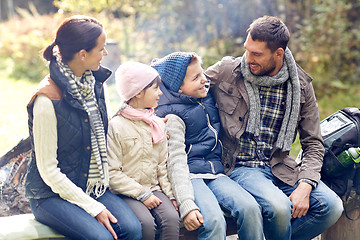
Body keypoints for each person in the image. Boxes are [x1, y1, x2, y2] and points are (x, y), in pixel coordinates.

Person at [205, 15, 344, 240]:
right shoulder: (228, 71)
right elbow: (186, 85)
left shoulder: (301, 86)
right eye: (247, 50)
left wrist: (306, 184)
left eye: (257, 54)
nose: (248, 58)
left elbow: (313, 144)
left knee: (331, 206)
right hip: (240, 167)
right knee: (279, 207)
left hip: (279, 167)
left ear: (278, 53)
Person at [25, 15, 142, 240]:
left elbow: (109, 129)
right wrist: (93, 207)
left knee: (133, 229)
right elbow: (48, 171)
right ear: (82, 54)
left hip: (91, 184)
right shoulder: (46, 100)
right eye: (101, 49)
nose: (105, 54)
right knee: (101, 238)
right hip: (50, 195)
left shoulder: (96, 85)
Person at [151, 52, 263, 240]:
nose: (204, 79)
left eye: (202, 73)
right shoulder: (171, 117)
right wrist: (186, 204)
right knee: (213, 221)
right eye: (196, 78)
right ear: (178, 88)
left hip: (216, 172)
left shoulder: (205, 97)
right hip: (190, 176)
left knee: (250, 208)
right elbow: (176, 163)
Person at [107, 61, 180, 240]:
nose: (160, 93)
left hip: (153, 188)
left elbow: (162, 166)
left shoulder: (156, 124)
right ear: (138, 92)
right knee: (145, 224)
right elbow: (112, 172)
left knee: (171, 218)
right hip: (126, 192)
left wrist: (171, 196)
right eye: (155, 88)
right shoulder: (116, 126)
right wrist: (142, 194)